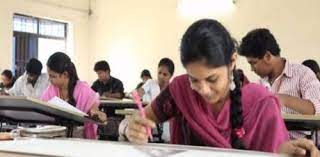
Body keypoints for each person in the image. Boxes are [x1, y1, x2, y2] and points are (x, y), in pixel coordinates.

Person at [119, 19, 319, 156]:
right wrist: (129, 128)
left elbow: (274, 149)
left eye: (212, 79)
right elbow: (139, 120)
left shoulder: (260, 102)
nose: (203, 89)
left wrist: (289, 152)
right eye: (194, 79)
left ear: (232, 62)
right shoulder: (180, 90)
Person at [239, 28, 320, 139]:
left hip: (300, 147)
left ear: (267, 56)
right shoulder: (260, 84)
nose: (252, 69)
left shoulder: (303, 74)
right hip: (269, 146)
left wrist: (285, 99)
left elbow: (317, 110)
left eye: (253, 63)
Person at [41, 52, 107, 139]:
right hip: (55, 136)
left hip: (78, 139)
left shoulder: (83, 89)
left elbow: (95, 113)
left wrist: (98, 115)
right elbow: (42, 109)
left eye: (53, 76)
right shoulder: (51, 89)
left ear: (65, 75)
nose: (49, 80)